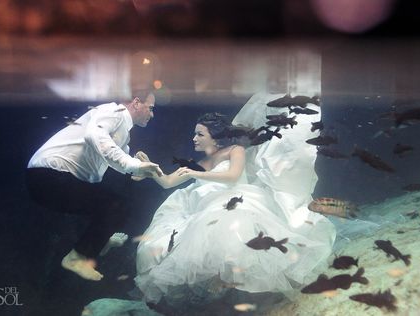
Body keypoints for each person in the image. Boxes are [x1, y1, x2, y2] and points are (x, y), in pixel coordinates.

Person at [133, 93, 336, 305]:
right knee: (201, 227)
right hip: (208, 207)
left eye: (200, 134)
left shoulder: (234, 151)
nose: (194, 138)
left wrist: (196, 174)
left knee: (229, 222)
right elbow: (167, 182)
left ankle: (236, 281)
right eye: (195, 134)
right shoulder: (202, 162)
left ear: (214, 135)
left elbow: (233, 176)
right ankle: (218, 284)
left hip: (238, 199)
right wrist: (150, 169)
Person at [25, 92, 163, 281]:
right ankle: (78, 257)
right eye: (151, 108)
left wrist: (140, 170)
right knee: (116, 206)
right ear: (137, 103)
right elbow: (95, 135)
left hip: (53, 180)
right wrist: (134, 166)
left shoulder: (123, 134)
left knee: (112, 208)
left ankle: (99, 241)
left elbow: (118, 158)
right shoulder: (114, 111)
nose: (152, 114)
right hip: (48, 176)